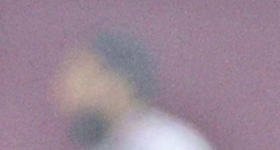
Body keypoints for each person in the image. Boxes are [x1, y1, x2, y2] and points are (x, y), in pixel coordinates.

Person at [52, 31, 214, 150]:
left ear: (118, 82)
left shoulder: (170, 144)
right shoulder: (106, 143)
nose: (70, 95)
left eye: (85, 81)